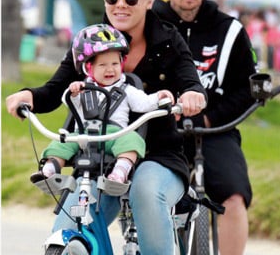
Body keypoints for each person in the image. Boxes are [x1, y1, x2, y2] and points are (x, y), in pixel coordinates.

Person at [6, 0, 206, 255]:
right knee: (69, 218)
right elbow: (57, 87)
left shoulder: (168, 40)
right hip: (97, 156)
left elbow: (188, 80)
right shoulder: (90, 40)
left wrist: (191, 95)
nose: (120, 4)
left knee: (147, 192)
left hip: (157, 154)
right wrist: (29, 95)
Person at [152, 0, 258, 255]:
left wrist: (210, 117)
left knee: (233, 194)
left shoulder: (230, 30)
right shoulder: (150, 23)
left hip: (214, 128)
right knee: (148, 194)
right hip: (163, 129)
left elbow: (246, 90)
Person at [31, 24, 174, 185]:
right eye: (102, 65)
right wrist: (74, 92)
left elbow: (144, 103)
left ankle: (120, 171)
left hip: (113, 135)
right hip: (83, 136)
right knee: (61, 142)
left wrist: (159, 97)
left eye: (115, 64)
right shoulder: (82, 88)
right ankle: (49, 170)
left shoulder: (127, 90)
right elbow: (67, 100)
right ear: (88, 67)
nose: (110, 69)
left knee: (132, 140)